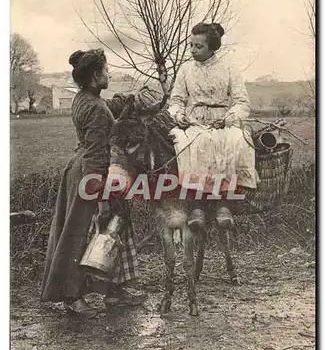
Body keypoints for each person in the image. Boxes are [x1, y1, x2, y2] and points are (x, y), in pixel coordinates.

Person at [41, 48, 147, 318]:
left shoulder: (82, 99)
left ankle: (113, 291)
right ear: (95, 76)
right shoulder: (97, 108)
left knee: (106, 230)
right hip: (91, 172)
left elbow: (98, 124)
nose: (109, 74)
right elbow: (97, 150)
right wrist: (101, 193)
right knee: (83, 233)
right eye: (106, 71)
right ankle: (72, 298)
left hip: (78, 169)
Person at [168, 22, 258, 205]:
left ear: (212, 47)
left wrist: (228, 119)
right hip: (193, 123)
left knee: (236, 140)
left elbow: (242, 102)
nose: (192, 50)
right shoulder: (185, 70)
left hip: (222, 121)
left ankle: (225, 200)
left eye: (199, 46)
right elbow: (176, 101)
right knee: (185, 141)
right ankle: (196, 201)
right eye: (191, 45)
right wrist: (180, 116)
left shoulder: (229, 68)